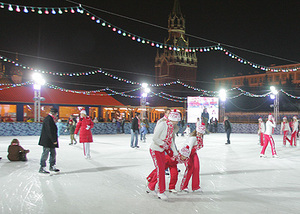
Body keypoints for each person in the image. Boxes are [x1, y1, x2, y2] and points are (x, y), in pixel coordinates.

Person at [146, 109, 185, 201]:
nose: (178, 122)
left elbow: (170, 141)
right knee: (161, 170)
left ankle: (150, 187)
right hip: (155, 149)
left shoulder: (171, 126)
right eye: (177, 120)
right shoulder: (163, 124)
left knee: (162, 169)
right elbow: (155, 138)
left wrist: (175, 153)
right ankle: (161, 191)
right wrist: (163, 144)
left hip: (162, 150)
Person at [180, 122, 206, 193]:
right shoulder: (193, 138)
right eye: (199, 132)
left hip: (193, 153)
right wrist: (186, 157)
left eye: (201, 133)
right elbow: (189, 148)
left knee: (196, 168)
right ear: (196, 130)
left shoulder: (200, 138)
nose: (199, 134)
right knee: (190, 169)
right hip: (187, 153)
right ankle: (184, 186)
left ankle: (195, 186)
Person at [38, 107, 60, 174]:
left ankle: (52, 166)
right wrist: (54, 140)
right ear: (54, 113)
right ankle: (42, 167)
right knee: (45, 153)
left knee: (53, 153)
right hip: (47, 140)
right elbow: (49, 130)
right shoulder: (48, 119)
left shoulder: (51, 119)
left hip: (50, 140)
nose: (56, 115)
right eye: (56, 114)